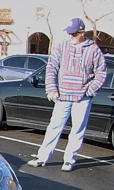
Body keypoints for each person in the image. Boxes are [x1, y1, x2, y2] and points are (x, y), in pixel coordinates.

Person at [27, 17, 107, 171]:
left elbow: (101, 73)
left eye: (74, 34)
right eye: (70, 33)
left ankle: (69, 160)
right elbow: (51, 68)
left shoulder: (93, 50)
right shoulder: (62, 46)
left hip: (82, 98)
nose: (71, 36)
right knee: (54, 127)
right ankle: (42, 157)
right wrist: (51, 89)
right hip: (62, 97)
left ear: (82, 33)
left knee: (77, 130)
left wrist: (89, 91)